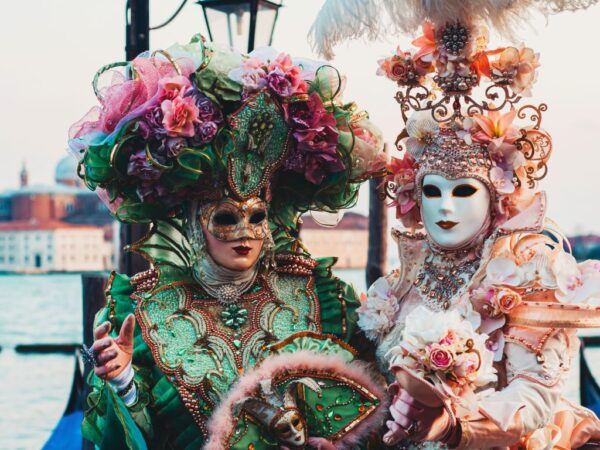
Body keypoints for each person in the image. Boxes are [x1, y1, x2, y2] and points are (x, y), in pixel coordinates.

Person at [68, 36, 388, 449]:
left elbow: (369, 414)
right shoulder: (143, 311)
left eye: (256, 217)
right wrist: (125, 380)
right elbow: (131, 437)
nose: (244, 233)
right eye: (224, 217)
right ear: (192, 219)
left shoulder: (320, 296)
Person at [310, 1, 600, 448]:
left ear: (496, 194)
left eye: (463, 190)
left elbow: (535, 394)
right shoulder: (401, 283)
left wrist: (453, 425)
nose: (445, 206)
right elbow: (380, 394)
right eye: (432, 191)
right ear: (412, 195)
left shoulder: (525, 270)